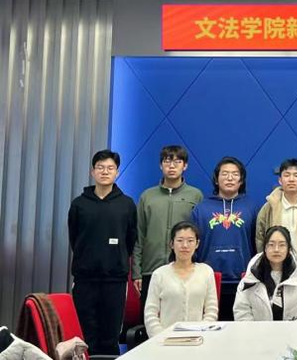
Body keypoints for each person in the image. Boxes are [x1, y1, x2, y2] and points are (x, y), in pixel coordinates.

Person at [67, 149, 136, 356]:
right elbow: (75, 238)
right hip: (85, 279)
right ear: (92, 172)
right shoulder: (79, 204)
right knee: (84, 333)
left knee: (110, 334)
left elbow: (130, 239)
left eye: (110, 168)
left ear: (117, 172)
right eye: (100, 168)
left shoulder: (126, 204)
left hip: (115, 280)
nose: (105, 172)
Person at [132, 145, 203, 318]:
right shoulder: (147, 197)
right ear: (160, 165)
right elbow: (139, 235)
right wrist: (137, 272)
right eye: (167, 161)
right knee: (151, 319)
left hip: (185, 269)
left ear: (185, 166)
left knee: (182, 318)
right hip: (151, 269)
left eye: (177, 162)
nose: (172, 166)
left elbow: (200, 235)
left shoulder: (195, 196)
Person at [192, 156, 260, 320]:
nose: (230, 178)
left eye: (235, 174)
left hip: (244, 279)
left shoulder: (252, 207)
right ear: (216, 179)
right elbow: (193, 244)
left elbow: (258, 243)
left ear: (241, 180)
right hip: (209, 280)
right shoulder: (201, 209)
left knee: (242, 330)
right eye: (225, 174)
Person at [254, 158, 297, 283]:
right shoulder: (269, 207)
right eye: (287, 175)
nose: (291, 179)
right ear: (280, 180)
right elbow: (260, 238)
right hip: (275, 270)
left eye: (296, 175)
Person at [143, 221, 218, 337]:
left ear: (197, 244)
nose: (185, 245)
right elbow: (150, 313)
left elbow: (211, 310)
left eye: (190, 241)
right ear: (172, 244)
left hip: (198, 338)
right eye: (180, 240)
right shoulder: (159, 274)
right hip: (166, 340)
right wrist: (160, 336)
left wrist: (201, 333)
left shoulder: (206, 272)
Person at [233, 225, 297, 321]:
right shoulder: (250, 278)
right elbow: (241, 311)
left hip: (294, 330)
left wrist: (295, 329)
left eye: (282, 245)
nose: (276, 249)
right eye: (271, 245)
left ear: (289, 249)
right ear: (265, 248)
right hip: (257, 330)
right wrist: (255, 330)